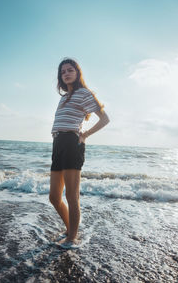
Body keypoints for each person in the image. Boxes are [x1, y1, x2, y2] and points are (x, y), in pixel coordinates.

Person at [49, 58, 110, 247]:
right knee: (54, 197)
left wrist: (85, 135)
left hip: (71, 143)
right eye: (63, 72)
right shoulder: (63, 97)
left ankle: (72, 238)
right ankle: (70, 229)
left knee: (71, 196)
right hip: (58, 144)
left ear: (77, 73)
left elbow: (104, 119)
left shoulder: (84, 93)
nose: (66, 73)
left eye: (70, 70)